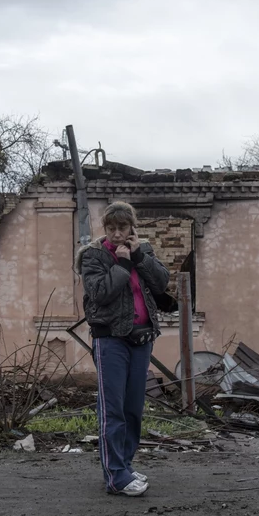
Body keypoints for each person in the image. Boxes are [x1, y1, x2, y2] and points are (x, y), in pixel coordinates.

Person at [74, 201, 171, 496]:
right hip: (110, 340)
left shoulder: (144, 250)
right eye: (112, 228)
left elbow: (162, 281)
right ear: (105, 229)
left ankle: (125, 466)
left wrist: (139, 256)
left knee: (133, 409)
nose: (117, 234)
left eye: (123, 227)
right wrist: (123, 264)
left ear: (132, 227)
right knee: (112, 409)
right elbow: (99, 293)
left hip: (141, 338)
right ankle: (116, 475)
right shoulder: (93, 256)